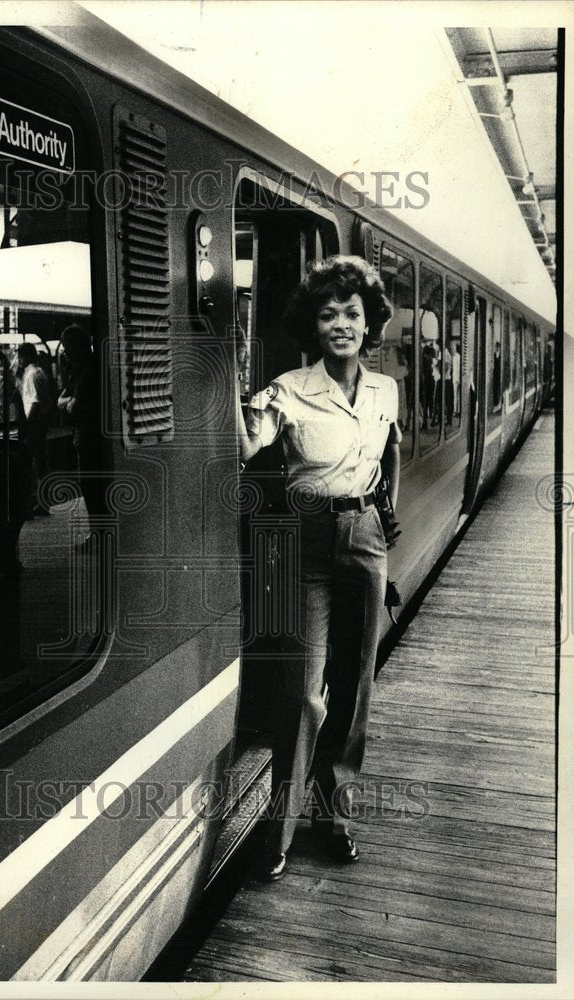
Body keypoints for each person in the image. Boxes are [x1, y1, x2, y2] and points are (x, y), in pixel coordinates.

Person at [236, 255, 400, 877]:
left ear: (369, 323)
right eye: (328, 313)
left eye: (352, 313)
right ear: (314, 323)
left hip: (365, 540)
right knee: (304, 694)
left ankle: (335, 819)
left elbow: (389, 460)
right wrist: (245, 417)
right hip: (305, 543)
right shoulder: (287, 388)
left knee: (357, 687)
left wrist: (386, 528)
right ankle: (278, 835)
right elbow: (249, 444)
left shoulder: (386, 390)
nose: (341, 323)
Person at [57, 325, 104, 530]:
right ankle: (98, 531)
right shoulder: (80, 369)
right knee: (91, 485)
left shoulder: (87, 371)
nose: (65, 352)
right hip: (84, 436)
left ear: (78, 346)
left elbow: (71, 405)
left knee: (92, 485)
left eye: (68, 347)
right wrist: (69, 402)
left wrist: (68, 403)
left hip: (89, 437)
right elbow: (62, 401)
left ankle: (98, 531)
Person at [16, 342, 53, 517]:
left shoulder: (30, 375)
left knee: (29, 465)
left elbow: (35, 403)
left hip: (34, 424)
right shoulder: (40, 373)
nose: (19, 360)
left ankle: (31, 504)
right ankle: (43, 502)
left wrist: (28, 427)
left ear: (26, 356)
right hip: (42, 423)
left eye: (20, 356)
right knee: (40, 464)